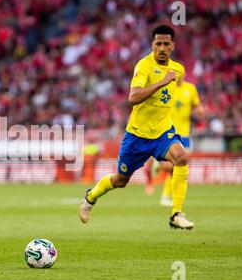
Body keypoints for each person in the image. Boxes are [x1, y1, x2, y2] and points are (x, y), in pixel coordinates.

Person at [79, 25, 194, 230]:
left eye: (166, 44)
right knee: (120, 180)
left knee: (181, 157)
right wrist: (161, 82)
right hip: (138, 136)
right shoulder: (144, 66)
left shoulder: (178, 69)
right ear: (152, 45)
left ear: (172, 46)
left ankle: (176, 213)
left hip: (162, 132)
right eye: (158, 44)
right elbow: (132, 98)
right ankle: (91, 196)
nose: (161, 48)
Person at [145, 75, 204, 206]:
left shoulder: (190, 89)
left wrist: (200, 111)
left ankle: (165, 193)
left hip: (185, 134)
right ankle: (166, 194)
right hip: (170, 132)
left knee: (179, 165)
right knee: (178, 165)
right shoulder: (167, 88)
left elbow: (197, 106)